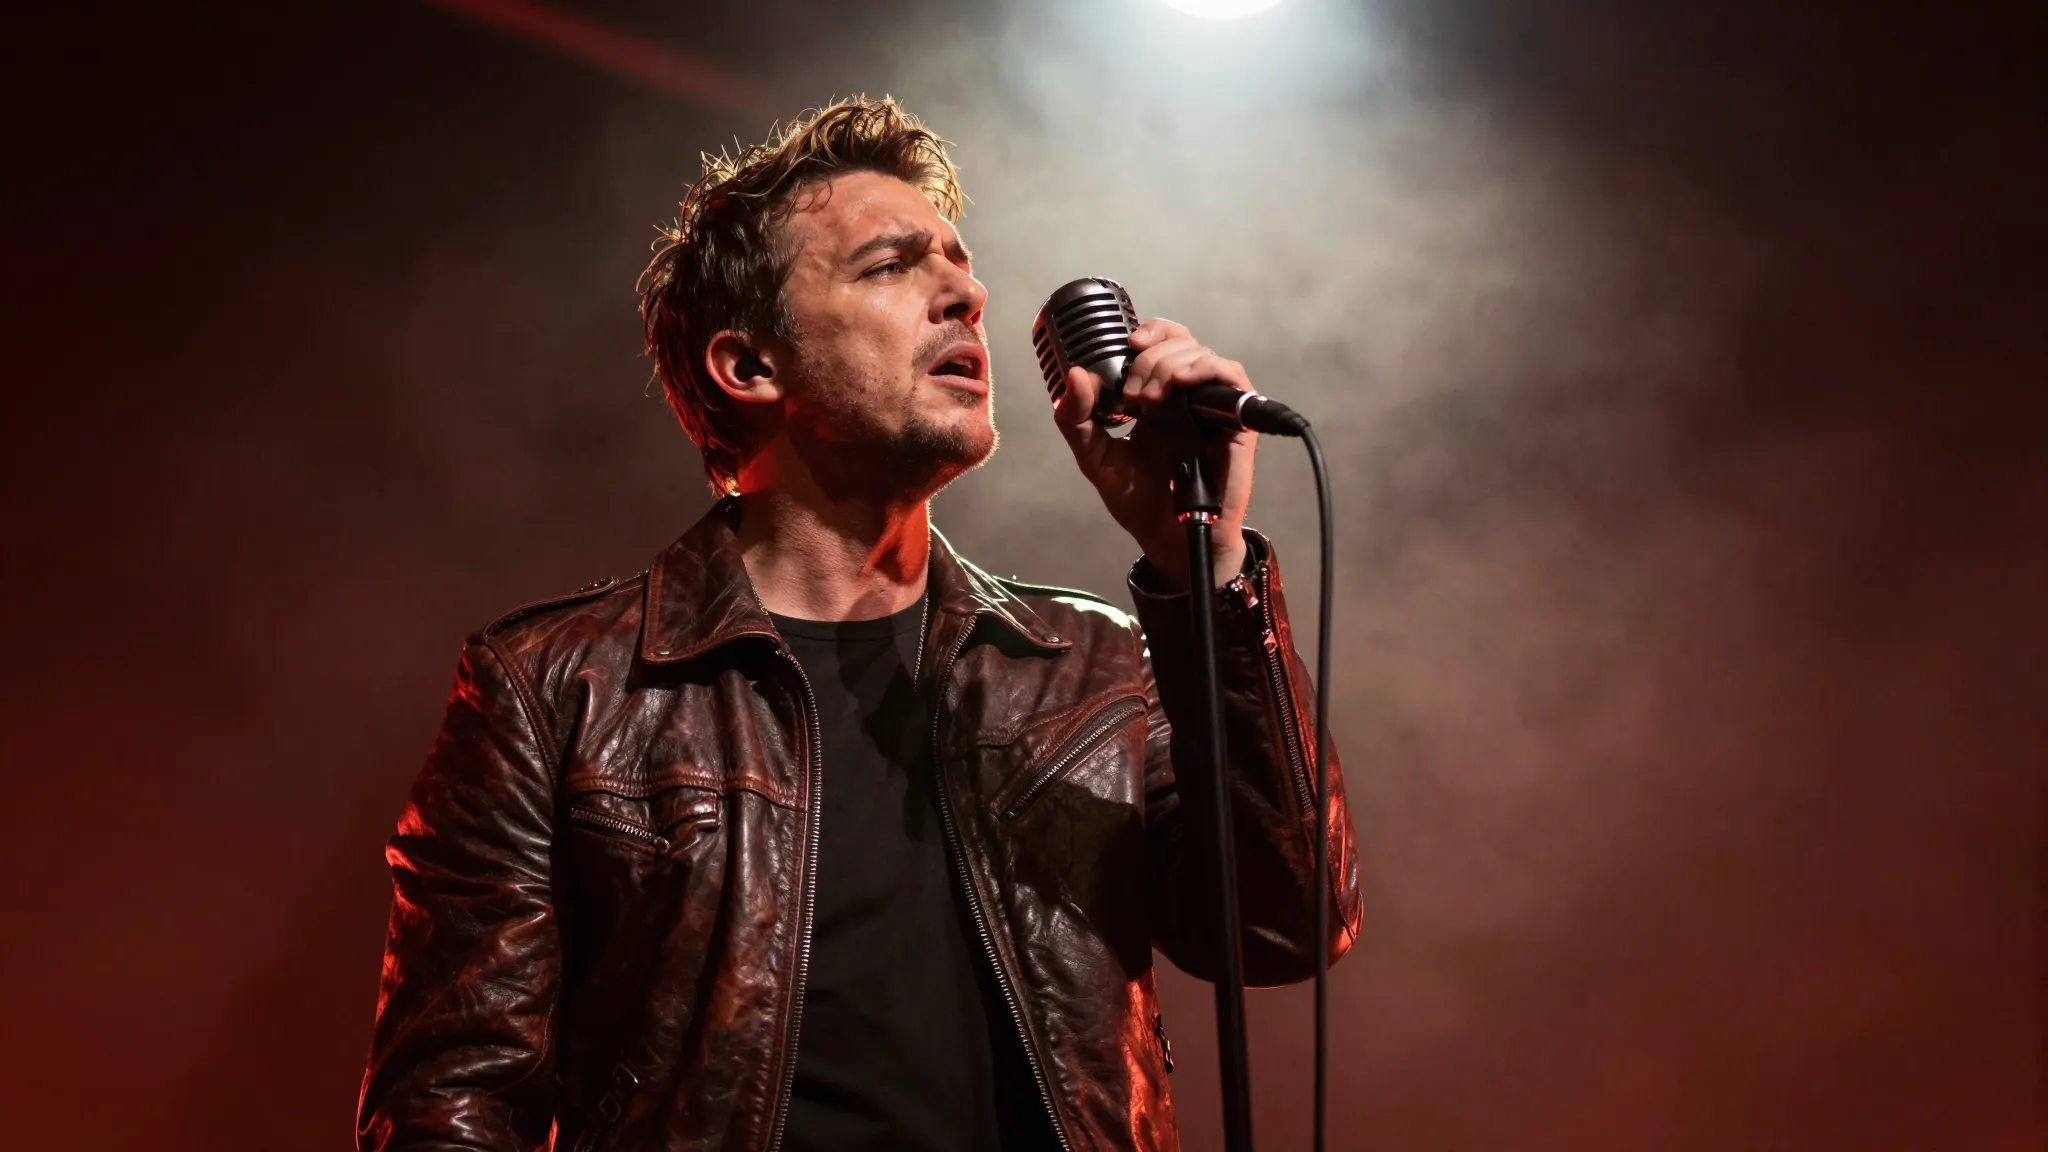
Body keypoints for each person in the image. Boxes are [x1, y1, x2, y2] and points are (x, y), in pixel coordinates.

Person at [357, 95, 1360, 1152]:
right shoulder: (557, 686)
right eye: (890, 266)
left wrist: (1203, 570)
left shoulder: (1093, 663)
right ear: (749, 366)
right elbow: (448, 1106)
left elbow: (1283, 925)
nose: (966, 294)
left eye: (958, 263)